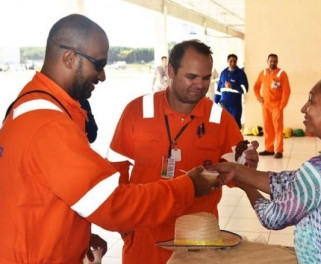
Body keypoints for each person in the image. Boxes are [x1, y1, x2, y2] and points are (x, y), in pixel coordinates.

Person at [0, 14, 215, 264]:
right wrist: (188, 186)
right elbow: (114, 205)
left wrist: (75, 234)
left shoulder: (28, 104)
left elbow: (36, 195)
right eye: (98, 65)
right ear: (69, 58)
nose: (102, 76)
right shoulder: (50, 125)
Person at [212, 70, 321, 263]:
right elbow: (294, 182)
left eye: (311, 101)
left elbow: (272, 217)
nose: (303, 108)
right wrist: (239, 170)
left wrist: (244, 184)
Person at [107, 40, 244, 264]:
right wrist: (122, 223)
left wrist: (247, 164)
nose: (200, 85)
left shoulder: (219, 119)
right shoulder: (137, 111)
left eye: (206, 77)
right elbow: (115, 168)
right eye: (191, 77)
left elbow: (236, 173)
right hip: (145, 238)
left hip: (197, 242)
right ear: (170, 71)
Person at [253, 53, 291, 159]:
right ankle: (269, 149)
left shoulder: (282, 74)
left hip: (277, 106)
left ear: (277, 62)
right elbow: (256, 87)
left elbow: (286, 91)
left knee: (278, 128)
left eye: (275, 61)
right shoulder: (263, 73)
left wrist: (281, 105)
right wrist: (258, 97)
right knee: (267, 127)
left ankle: (279, 150)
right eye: (271, 61)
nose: (273, 63)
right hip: (265, 105)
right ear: (267, 61)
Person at [214, 54, 249, 128]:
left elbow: (245, 89)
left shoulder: (240, 73)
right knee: (222, 125)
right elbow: (218, 90)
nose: (233, 63)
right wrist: (215, 103)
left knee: (235, 125)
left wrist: (233, 86)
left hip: (235, 105)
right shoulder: (223, 73)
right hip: (224, 104)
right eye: (231, 61)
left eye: (234, 61)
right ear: (227, 61)